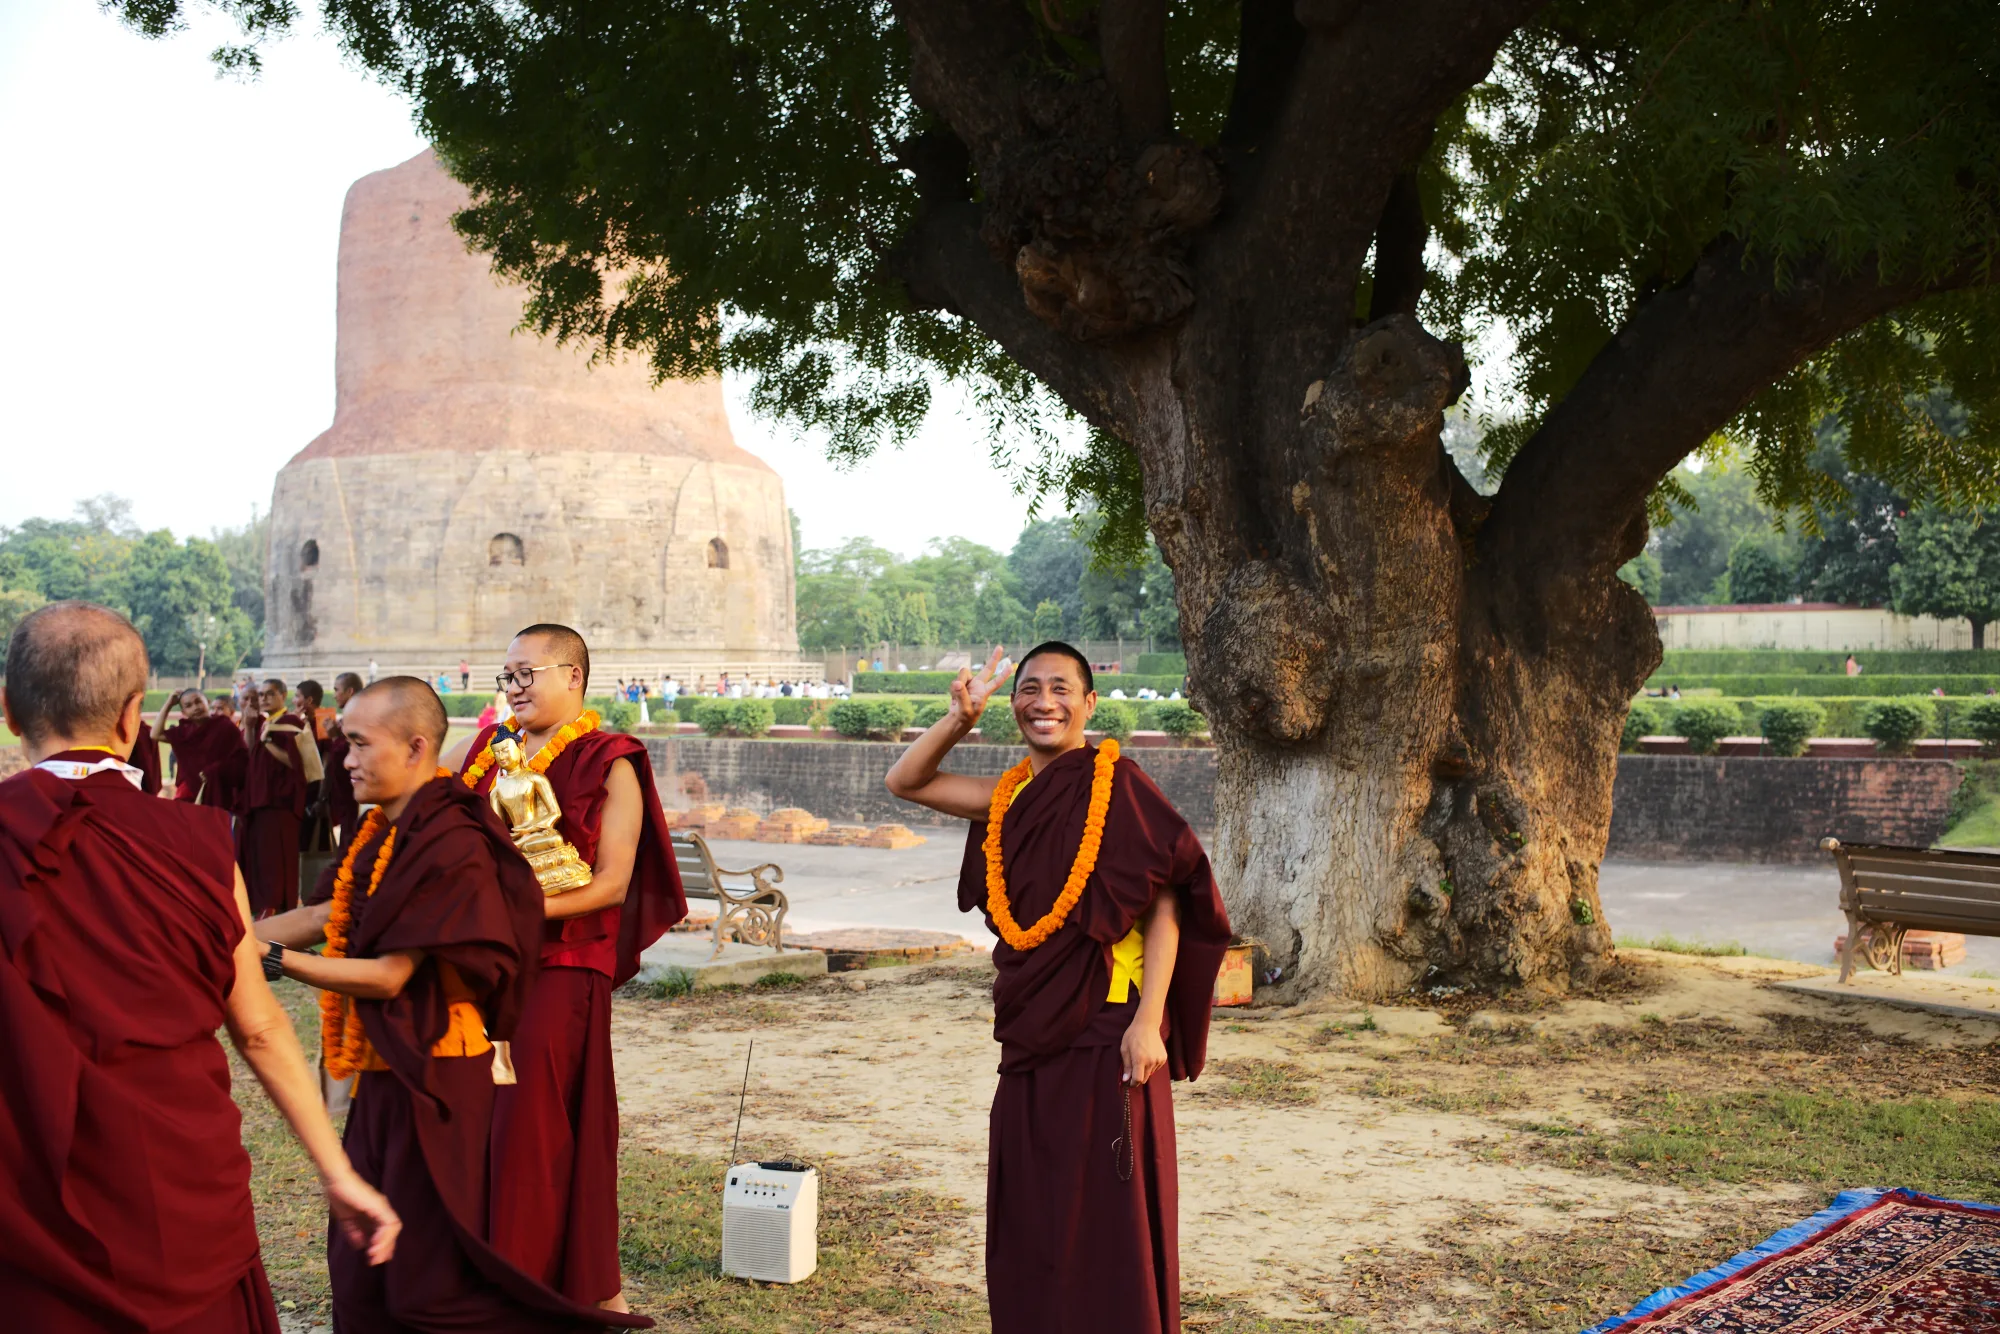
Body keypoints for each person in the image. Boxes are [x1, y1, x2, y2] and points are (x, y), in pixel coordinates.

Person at [0, 602, 399, 1331]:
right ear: (132, 717)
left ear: (7, 711)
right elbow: (258, 1029)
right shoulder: (199, 846)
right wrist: (336, 1172)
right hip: (171, 1185)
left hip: (22, 1191)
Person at [258, 678, 647, 1333]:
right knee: (358, 1280)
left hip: (439, 1073)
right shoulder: (381, 830)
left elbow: (390, 976)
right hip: (381, 1075)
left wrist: (271, 961)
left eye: (357, 744)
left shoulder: (454, 840)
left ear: (415, 748)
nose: (343, 759)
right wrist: (222, 937)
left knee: (429, 1288)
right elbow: (331, 913)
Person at [884, 642, 1230, 1334]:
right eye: (1030, 689)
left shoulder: (1120, 787)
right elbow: (907, 782)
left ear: (1089, 704)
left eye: (1062, 688)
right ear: (1013, 704)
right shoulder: (1007, 799)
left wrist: (1149, 1021)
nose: (1045, 702)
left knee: (1110, 1215)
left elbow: (1167, 907)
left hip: (1110, 1033)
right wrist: (959, 719)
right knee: (1035, 1208)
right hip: (1032, 1035)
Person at [458, 624, 687, 1311]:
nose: (516, 689)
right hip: (483, 968)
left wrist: (513, 914)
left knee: (534, 1124)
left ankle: (537, 1291)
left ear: (574, 678)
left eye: (528, 674)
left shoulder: (609, 760)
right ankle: (487, 1273)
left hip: (558, 967)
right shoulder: (488, 754)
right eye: (508, 676)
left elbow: (612, 884)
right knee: (484, 1117)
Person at [238, 678, 322, 917]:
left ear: (283, 696)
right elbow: (251, 753)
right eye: (261, 695)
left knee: (277, 857)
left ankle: (277, 906)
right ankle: (264, 904)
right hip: (258, 799)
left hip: (280, 801)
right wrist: (252, 728)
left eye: (269, 694)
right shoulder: (265, 723)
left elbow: (297, 765)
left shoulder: (291, 723)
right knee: (261, 856)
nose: (264, 699)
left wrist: (268, 743)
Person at [156, 687, 243, 806]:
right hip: (190, 793)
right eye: (188, 705)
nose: (195, 707)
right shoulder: (184, 732)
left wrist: (215, 770)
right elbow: (155, 734)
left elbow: (241, 759)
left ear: (207, 702)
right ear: (184, 713)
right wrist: (168, 704)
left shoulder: (224, 726)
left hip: (220, 792)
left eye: (198, 702)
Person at [323, 672, 365, 848]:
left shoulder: (359, 718)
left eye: (336, 690)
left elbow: (349, 754)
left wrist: (334, 738)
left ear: (350, 692)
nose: (334, 694)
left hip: (354, 787)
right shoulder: (347, 718)